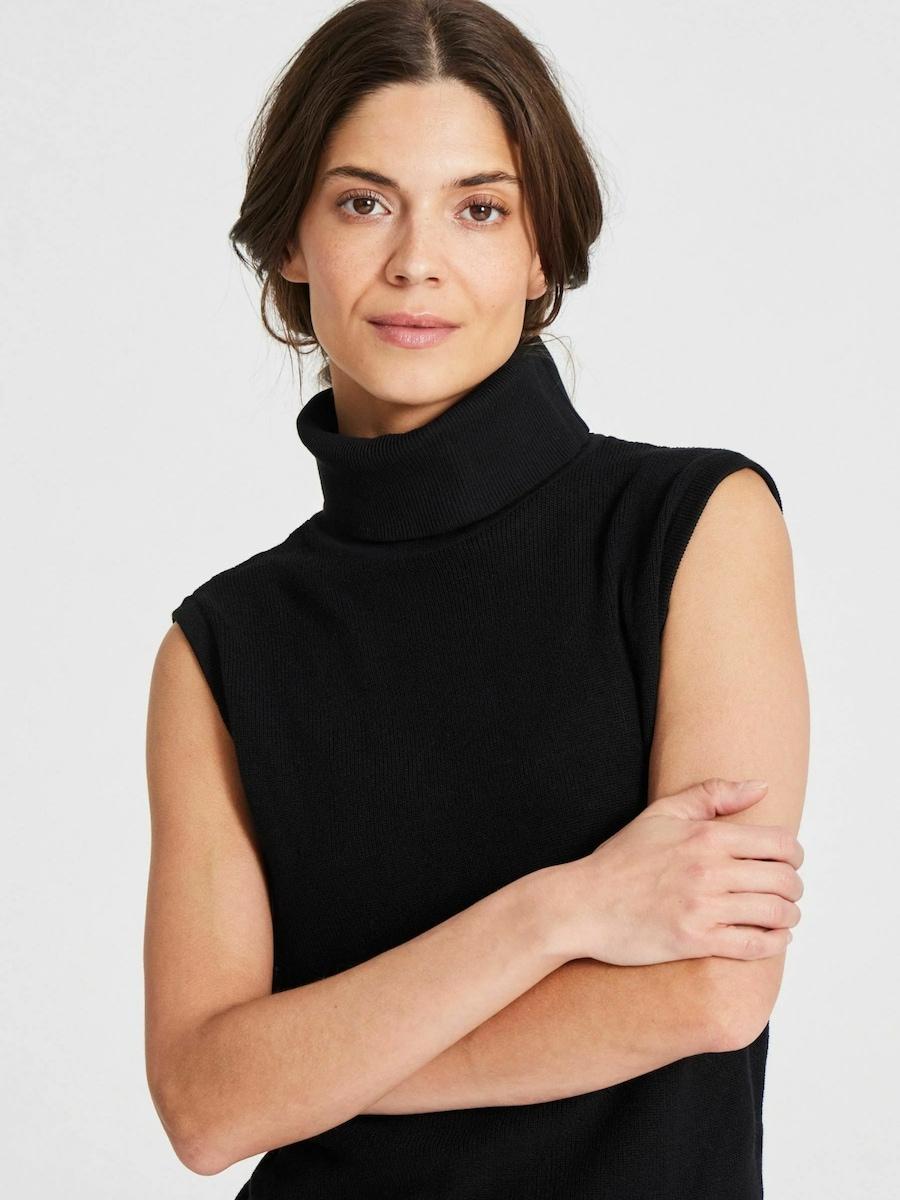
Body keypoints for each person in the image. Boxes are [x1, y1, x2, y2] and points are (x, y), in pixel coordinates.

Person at [144, 1, 809, 1196]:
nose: (417, 260)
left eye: (480, 209)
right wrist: (560, 913)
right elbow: (202, 1110)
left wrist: (310, 1070)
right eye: (364, 203)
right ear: (291, 240)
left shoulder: (695, 526)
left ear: (542, 253)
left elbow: (713, 992)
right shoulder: (223, 646)